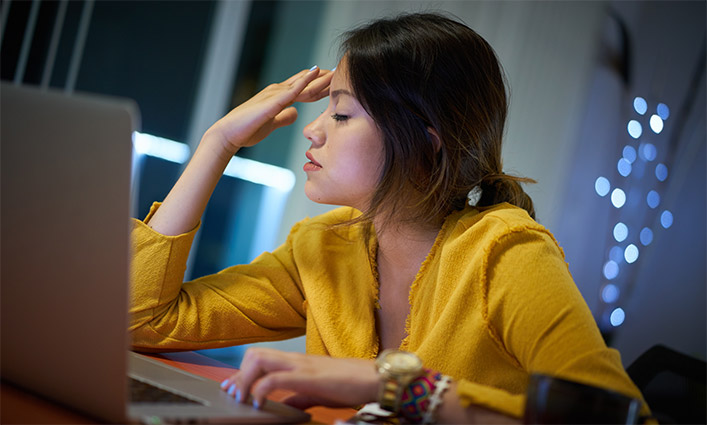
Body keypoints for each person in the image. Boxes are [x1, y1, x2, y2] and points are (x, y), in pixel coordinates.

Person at [130, 12, 648, 424]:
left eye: (340, 112)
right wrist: (218, 144)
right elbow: (141, 320)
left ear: (425, 140)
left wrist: (394, 387)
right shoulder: (323, 248)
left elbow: (612, 417)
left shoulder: (506, 253)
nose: (311, 129)